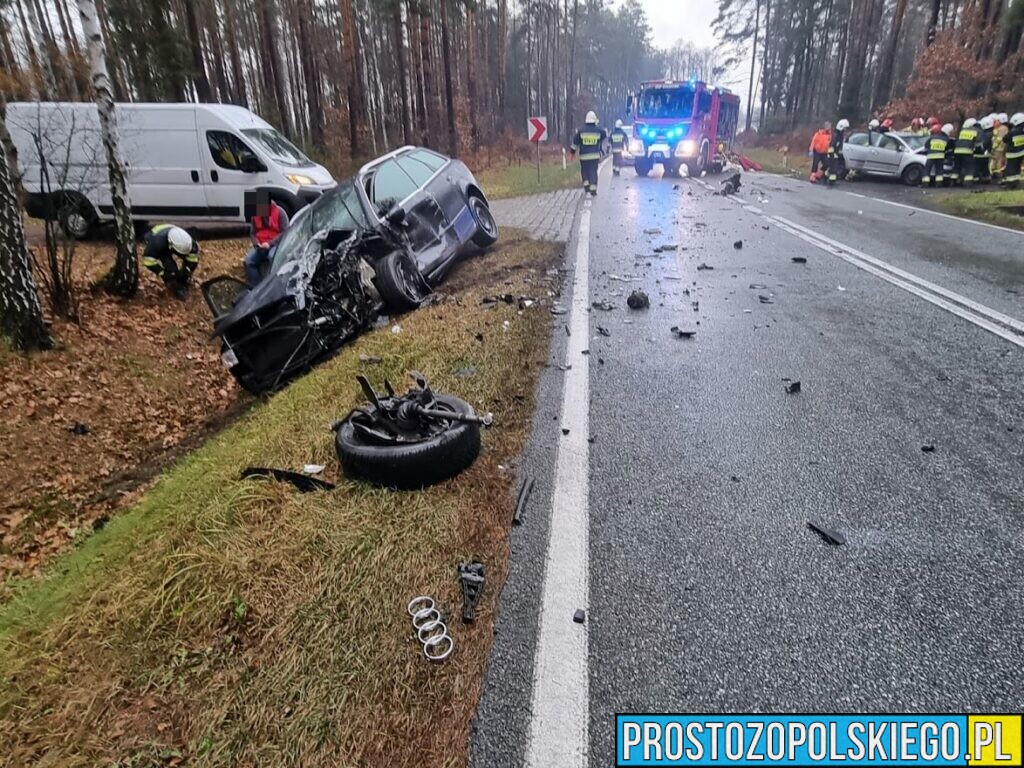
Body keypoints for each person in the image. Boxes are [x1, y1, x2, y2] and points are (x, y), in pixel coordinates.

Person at [141, 224, 199, 300]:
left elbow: (193, 260)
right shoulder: (157, 243)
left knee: (188, 267)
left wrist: (187, 271)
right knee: (170, 268)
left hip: (170, 233)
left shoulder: (190, 243)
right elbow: (147, 261)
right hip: (157, 236)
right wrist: (162, 273)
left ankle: (181, 282)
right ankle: (173, 286)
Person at [244, 192, 290, 286]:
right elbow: (252, 233)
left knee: (272, 258)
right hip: (260, 246)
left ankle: (274, 286)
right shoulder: (255, 214)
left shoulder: (280, 213)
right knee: (249, 261)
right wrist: (256, 244)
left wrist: (270, 244)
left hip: (276, 245)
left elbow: (285, 232)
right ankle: (256, 286)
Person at [570, 111, 607, 196]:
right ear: (594, 120)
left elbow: (575, 143)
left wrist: (572, 153)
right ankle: (593, 189)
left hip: (584, 156)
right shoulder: (598, 131)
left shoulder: (581, 131)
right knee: (593, 171)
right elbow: (604, 135)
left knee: (584, 170)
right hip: (594, 156)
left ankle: (586, 186)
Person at [953, 118, 979, 185]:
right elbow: (978, 141)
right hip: (967, 151)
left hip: (957, 151)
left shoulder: (962, 131)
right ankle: (968, 182)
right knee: (969, 167)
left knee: (957, 166)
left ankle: (953, 180)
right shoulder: (975, 131)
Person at [924, 123, 952, 188]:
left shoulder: (933, 137)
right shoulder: (946, 139)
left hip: (930, 156)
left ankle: (925, 184)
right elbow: (948, 148)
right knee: (939, 171)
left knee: (927, 170)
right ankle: (938, 184)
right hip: (940, 157)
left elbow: (926, 145)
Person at [1002, 112, 1024, 187]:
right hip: (1021, 152)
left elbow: (1005, 139)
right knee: (1017, 168)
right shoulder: (1022, 131)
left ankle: (1011, 184)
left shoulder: (1013, 131)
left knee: (1011, 169)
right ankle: (1016, 182)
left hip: (1012, 154)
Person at [826, 118, 849, 186]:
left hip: (835, 154)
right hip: (832, 154)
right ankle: (831, 182)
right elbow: (832, 145)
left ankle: (827, 179)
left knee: (833, 169)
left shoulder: (840, 135)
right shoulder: (837, 135)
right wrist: (833, 154)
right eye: (845, 128)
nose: (846, 130)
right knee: (833, 169)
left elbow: (838, 146)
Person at [975, 115, 994, 184]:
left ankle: (983, 178)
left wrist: (977, 148)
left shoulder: (986, 134)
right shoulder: (991, 132)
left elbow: (983, 144)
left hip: (982, 154)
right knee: (985, 167)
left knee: (981, 166)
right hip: (987, 153)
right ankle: (986, 178)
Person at [993, 113, 1009, 179]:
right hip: (1000, 148)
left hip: (999, 148)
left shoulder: (1002, 129)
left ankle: (999, 176)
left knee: (998, 162)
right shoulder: (1002, 128)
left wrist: (993, 147)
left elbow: (999, 139)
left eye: (997, 120)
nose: (995, 122)